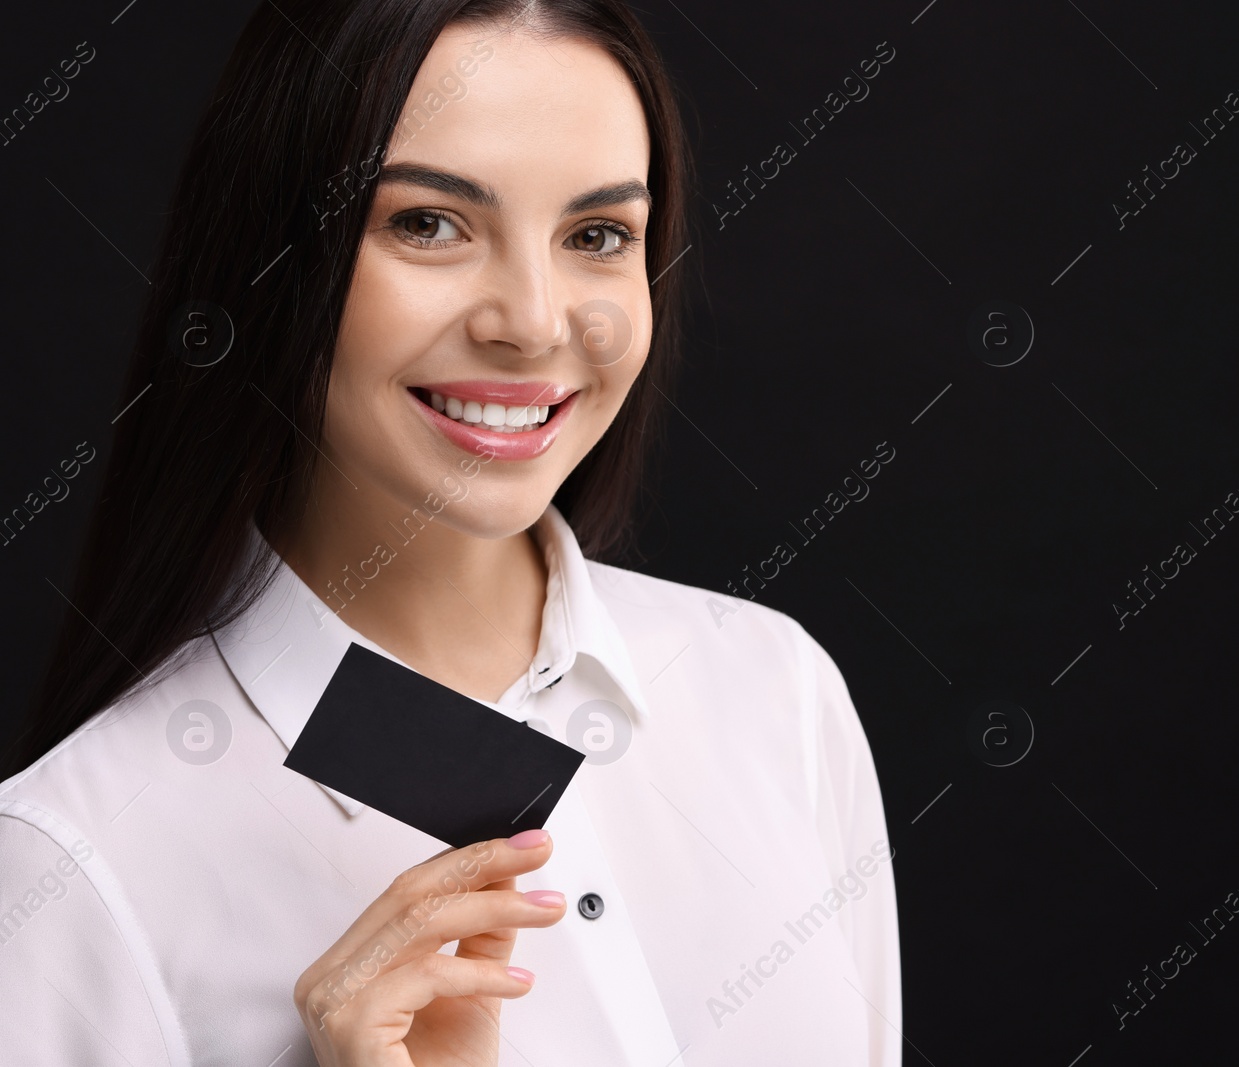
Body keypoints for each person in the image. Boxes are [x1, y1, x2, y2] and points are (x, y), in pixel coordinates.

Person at [0, 1, 901, 1064]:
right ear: (271, 256)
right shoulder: (72, 861)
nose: (531, 319)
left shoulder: (775, 693)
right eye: (428, 223)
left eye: (597, 235)